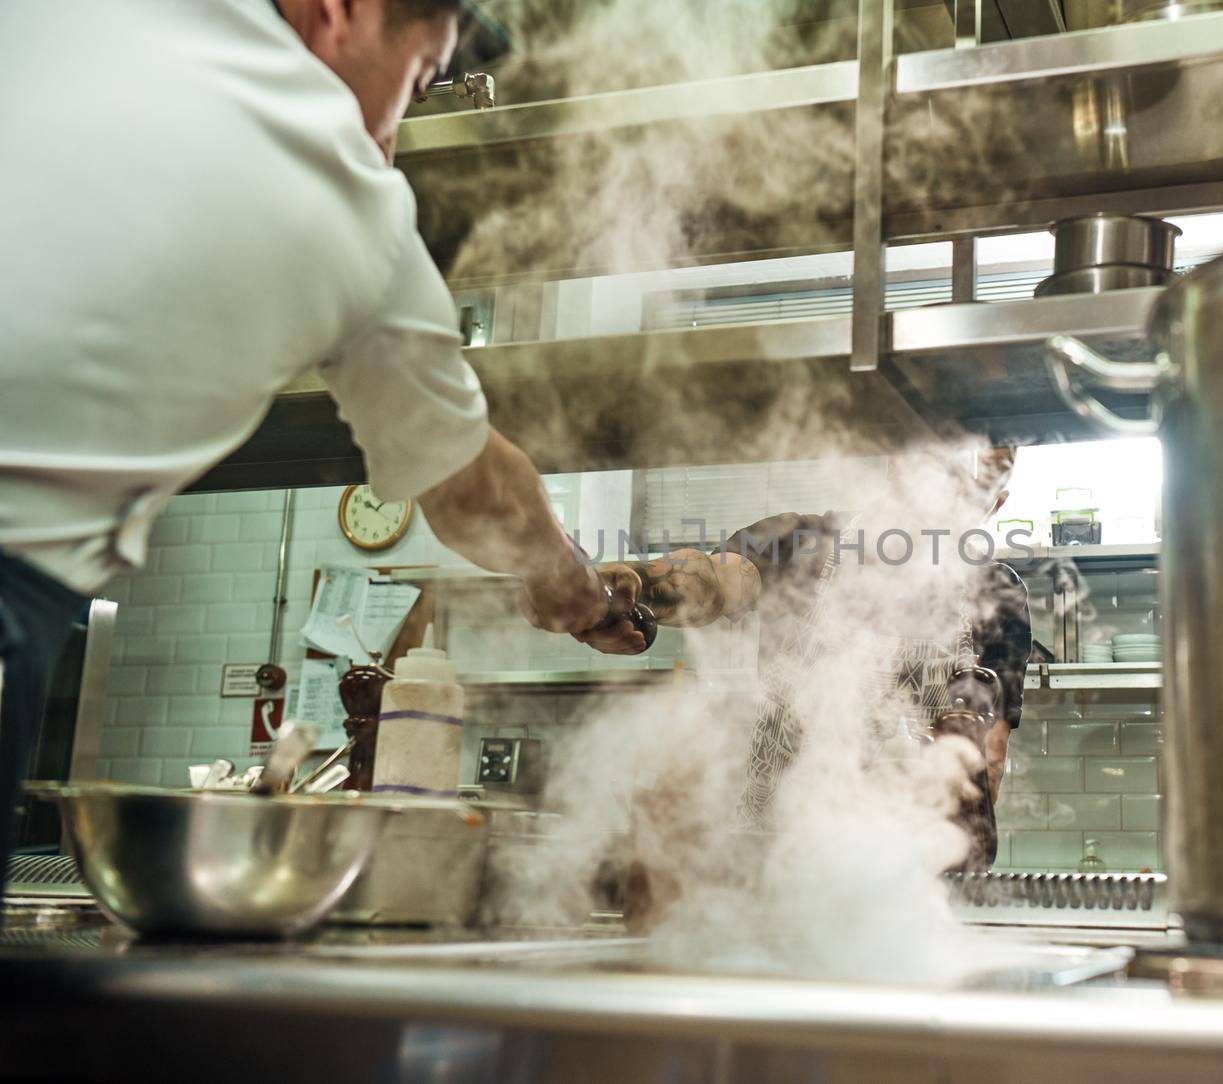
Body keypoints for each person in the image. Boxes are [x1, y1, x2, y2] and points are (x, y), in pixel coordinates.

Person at [0, 0, 610, 875]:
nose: (398, 126)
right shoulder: (341, 177)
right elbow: (476, 494)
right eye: (418, 80)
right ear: (340, 11)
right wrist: (576, 590)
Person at [578, 447, 1032, 871]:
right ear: (896, 462)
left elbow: (986, 756)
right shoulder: (801, 544)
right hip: (778, 859)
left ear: (995, 505)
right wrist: (626, 589)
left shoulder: (998, 596)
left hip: (910, 879)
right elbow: (711, 580)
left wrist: (946, 874)